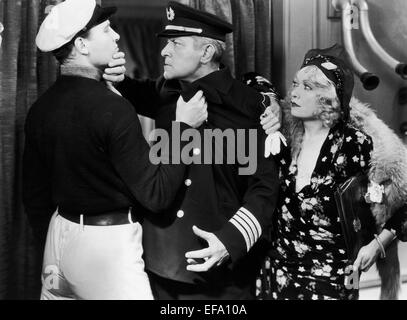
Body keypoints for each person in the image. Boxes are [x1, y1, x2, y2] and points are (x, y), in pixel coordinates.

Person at [23, 0, 207, 300]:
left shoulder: (40, 108)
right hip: (106, 249)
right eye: (107, 30)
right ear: (82, 45)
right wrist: (183, 128)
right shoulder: (113, 108)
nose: (117, 36)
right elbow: (156, 196)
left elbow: (34, 197)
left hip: (56, 241)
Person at [104, 1, 279, 300]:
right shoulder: (164, 92)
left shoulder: (250, 106)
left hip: (220, 272)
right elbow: (129, 89)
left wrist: (230, 241)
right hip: (159, 263)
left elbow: (262, 188)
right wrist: (109, 71)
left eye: (175, 43)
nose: (164, 51)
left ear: (207, 52)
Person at [255, 45, 407, 300]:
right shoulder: (285, 137)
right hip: (277, 274)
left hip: (331, 280)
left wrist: (375, 245)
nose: (294, 93)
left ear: (331, 97)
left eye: (307, 87)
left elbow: (396, 207)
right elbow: (251, 80)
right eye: (295, 84)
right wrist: (270, 99)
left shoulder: (356, 146)